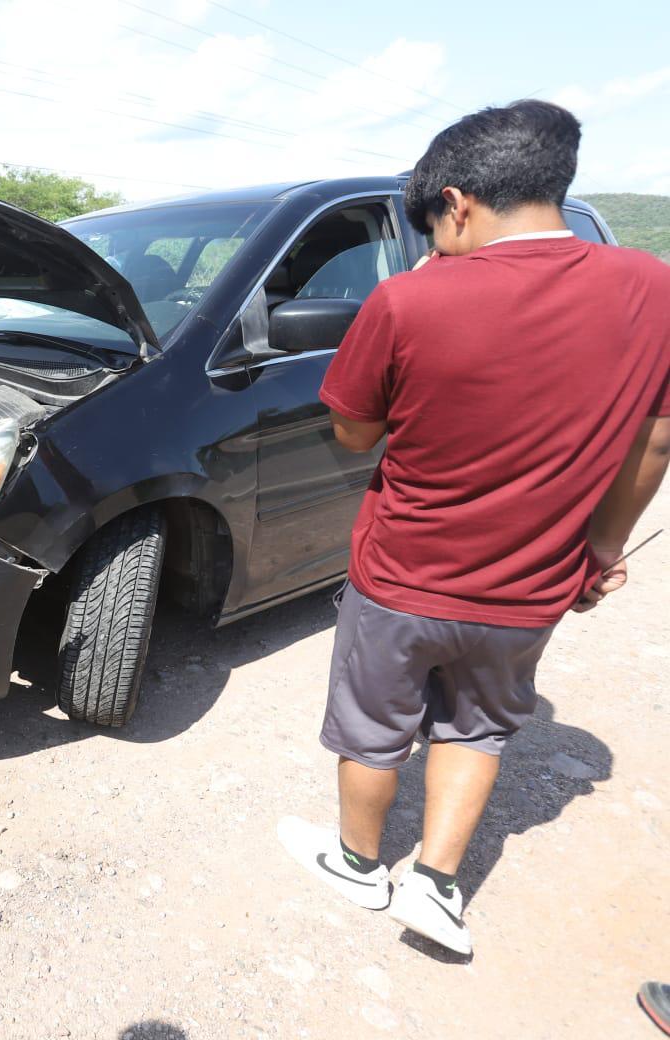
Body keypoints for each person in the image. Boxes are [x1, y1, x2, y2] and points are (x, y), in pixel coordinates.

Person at [277, 100, 670, 955]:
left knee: (373, 728)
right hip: (530, 590)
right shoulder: (653, 287)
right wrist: (600, 551)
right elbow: (658, 437)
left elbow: (352, 431)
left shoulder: (408, 300)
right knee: (477, 729)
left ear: (456, 203)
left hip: (402, 577)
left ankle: (356, 864)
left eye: (433, 229)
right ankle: (437, 887)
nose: (430, 249)